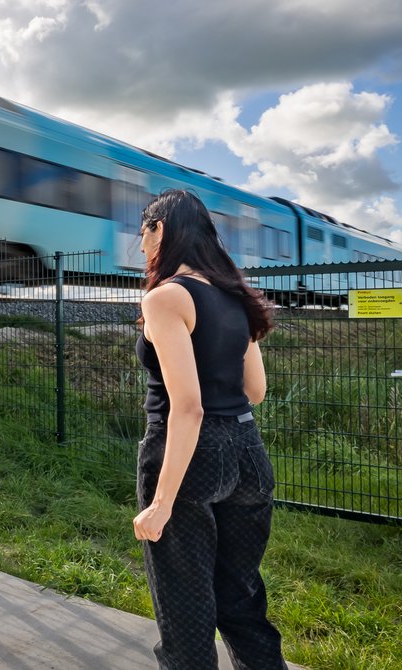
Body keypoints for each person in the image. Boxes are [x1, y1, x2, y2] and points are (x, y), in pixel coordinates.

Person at [132, 189, 286, 669]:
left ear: (161, 230)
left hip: (189, 453)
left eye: (143, 233)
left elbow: (189, 407)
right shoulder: (233, 295)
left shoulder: (166, 297)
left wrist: (161, 503)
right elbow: (255, 390)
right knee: (240, 599)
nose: (140, 246)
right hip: (248, 451)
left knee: (186, 610)